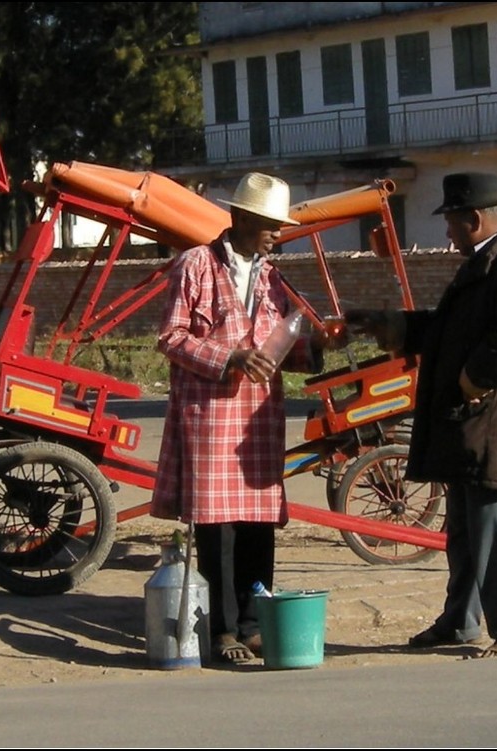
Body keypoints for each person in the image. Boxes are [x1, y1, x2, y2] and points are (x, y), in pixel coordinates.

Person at [346, 171, 497, 657]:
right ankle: (460, 621)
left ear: (475, 220)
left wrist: (472, 381)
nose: (447, 233)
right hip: (475, 424)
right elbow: (448, 329)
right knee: (465, 531)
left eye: (453, 222)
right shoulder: (487, 262)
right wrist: (391, 325)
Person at [150, 172, 344, 665]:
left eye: (278, 225)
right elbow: (171, 338)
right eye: (268, 223)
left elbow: (282, 349)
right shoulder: (194, 265)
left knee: (258, 524)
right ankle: (222, 630)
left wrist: (315, 346)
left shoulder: (273, 278)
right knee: (220, 529)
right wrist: (231, 359)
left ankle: (256, 622)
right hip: (212, 416)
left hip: (258, 420)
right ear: (239, 219)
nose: (277, 233)